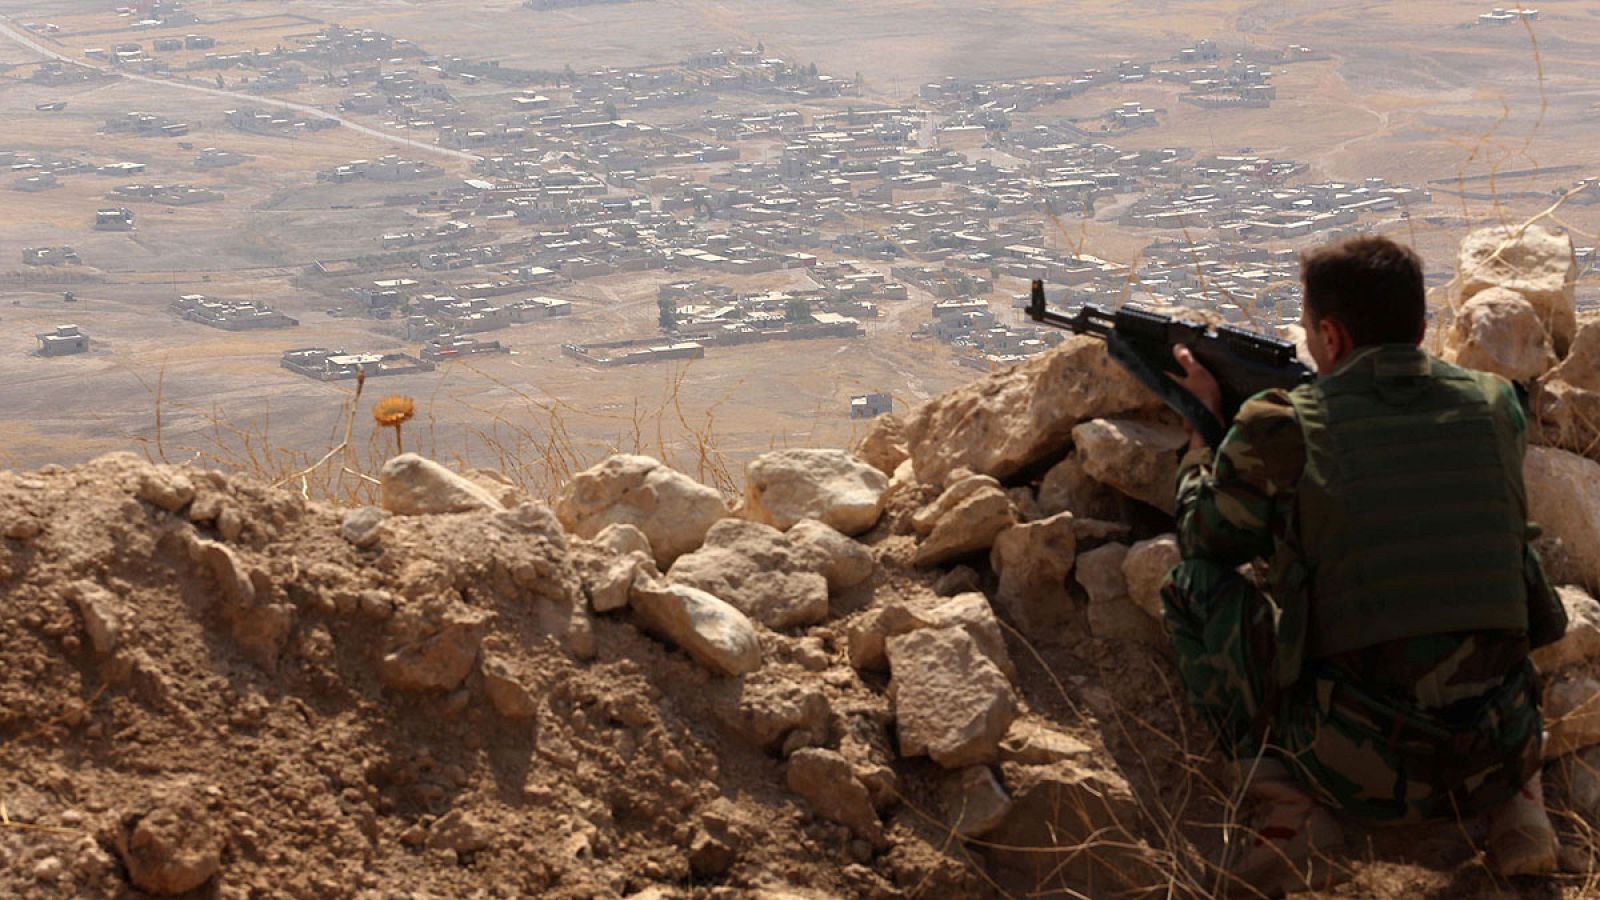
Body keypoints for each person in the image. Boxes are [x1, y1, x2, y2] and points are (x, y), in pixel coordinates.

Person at [1159, 234, 1569, 892]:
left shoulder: (1282, 424)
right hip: (1499, 749)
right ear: (1423, 325)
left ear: (1331, 334)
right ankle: (1521, 806)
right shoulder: (1496, 407)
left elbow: (1207, 540)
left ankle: (1290, 811)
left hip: (1357, 772)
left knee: (1191, 589)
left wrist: (1204, 438)